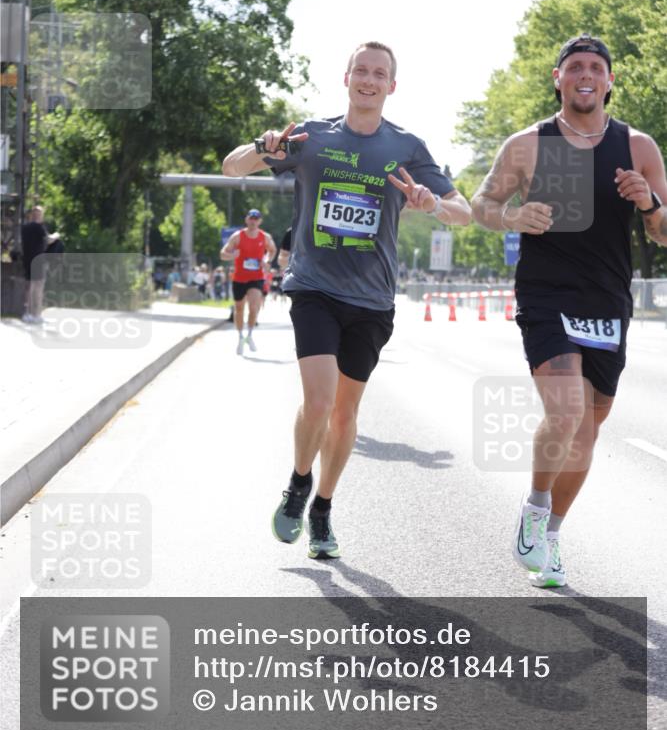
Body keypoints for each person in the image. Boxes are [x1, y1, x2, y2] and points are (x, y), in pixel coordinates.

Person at [223, 41, 472, 558]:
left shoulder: (405, 147)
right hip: (314, 288)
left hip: (373, 300)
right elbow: (231, 167)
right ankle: (298, 483)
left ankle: (323, 508)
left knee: (343, 415)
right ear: (347, 77)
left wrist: (432, 204)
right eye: (362, 69)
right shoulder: (311, 137)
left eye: (380, 73)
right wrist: (263, 147)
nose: (369, 79)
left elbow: (463, 211)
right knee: (318, 399)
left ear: (391, 86)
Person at [471, 33, 667, 587]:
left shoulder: (638, 147)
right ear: (558, 78)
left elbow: (664, 231)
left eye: (596, 68)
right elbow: (483, 205)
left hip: (607, 298)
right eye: (575, 66)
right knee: (565, 413)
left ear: (609, 81)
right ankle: (534, 508)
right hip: (546, 294)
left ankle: (552, 534)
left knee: (588, 429)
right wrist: (512, 218)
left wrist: (649, 202)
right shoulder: (529, 143)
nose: (586, 75)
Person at [220, 209, 277, 355]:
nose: (253, 221)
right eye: (251, 218)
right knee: (239, 309)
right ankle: (240, 337)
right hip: (239, 277)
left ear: (259, 221)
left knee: (254, 307)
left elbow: (272, 250)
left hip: (256, 277)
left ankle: (250, 335)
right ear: (246, 220)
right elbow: (223, 254)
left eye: (256, 219)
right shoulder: (237, 236)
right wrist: (232, 254)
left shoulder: (265, 237)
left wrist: (266, 260)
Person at [20, 205, 61, 323]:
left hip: (27, 260)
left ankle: (26, 313)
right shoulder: (39, 227)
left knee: (28, 287)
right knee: (38, 287)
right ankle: (36, 315)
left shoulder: (25, 227)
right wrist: (56, 235)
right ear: (40, 216)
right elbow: (48, 240)